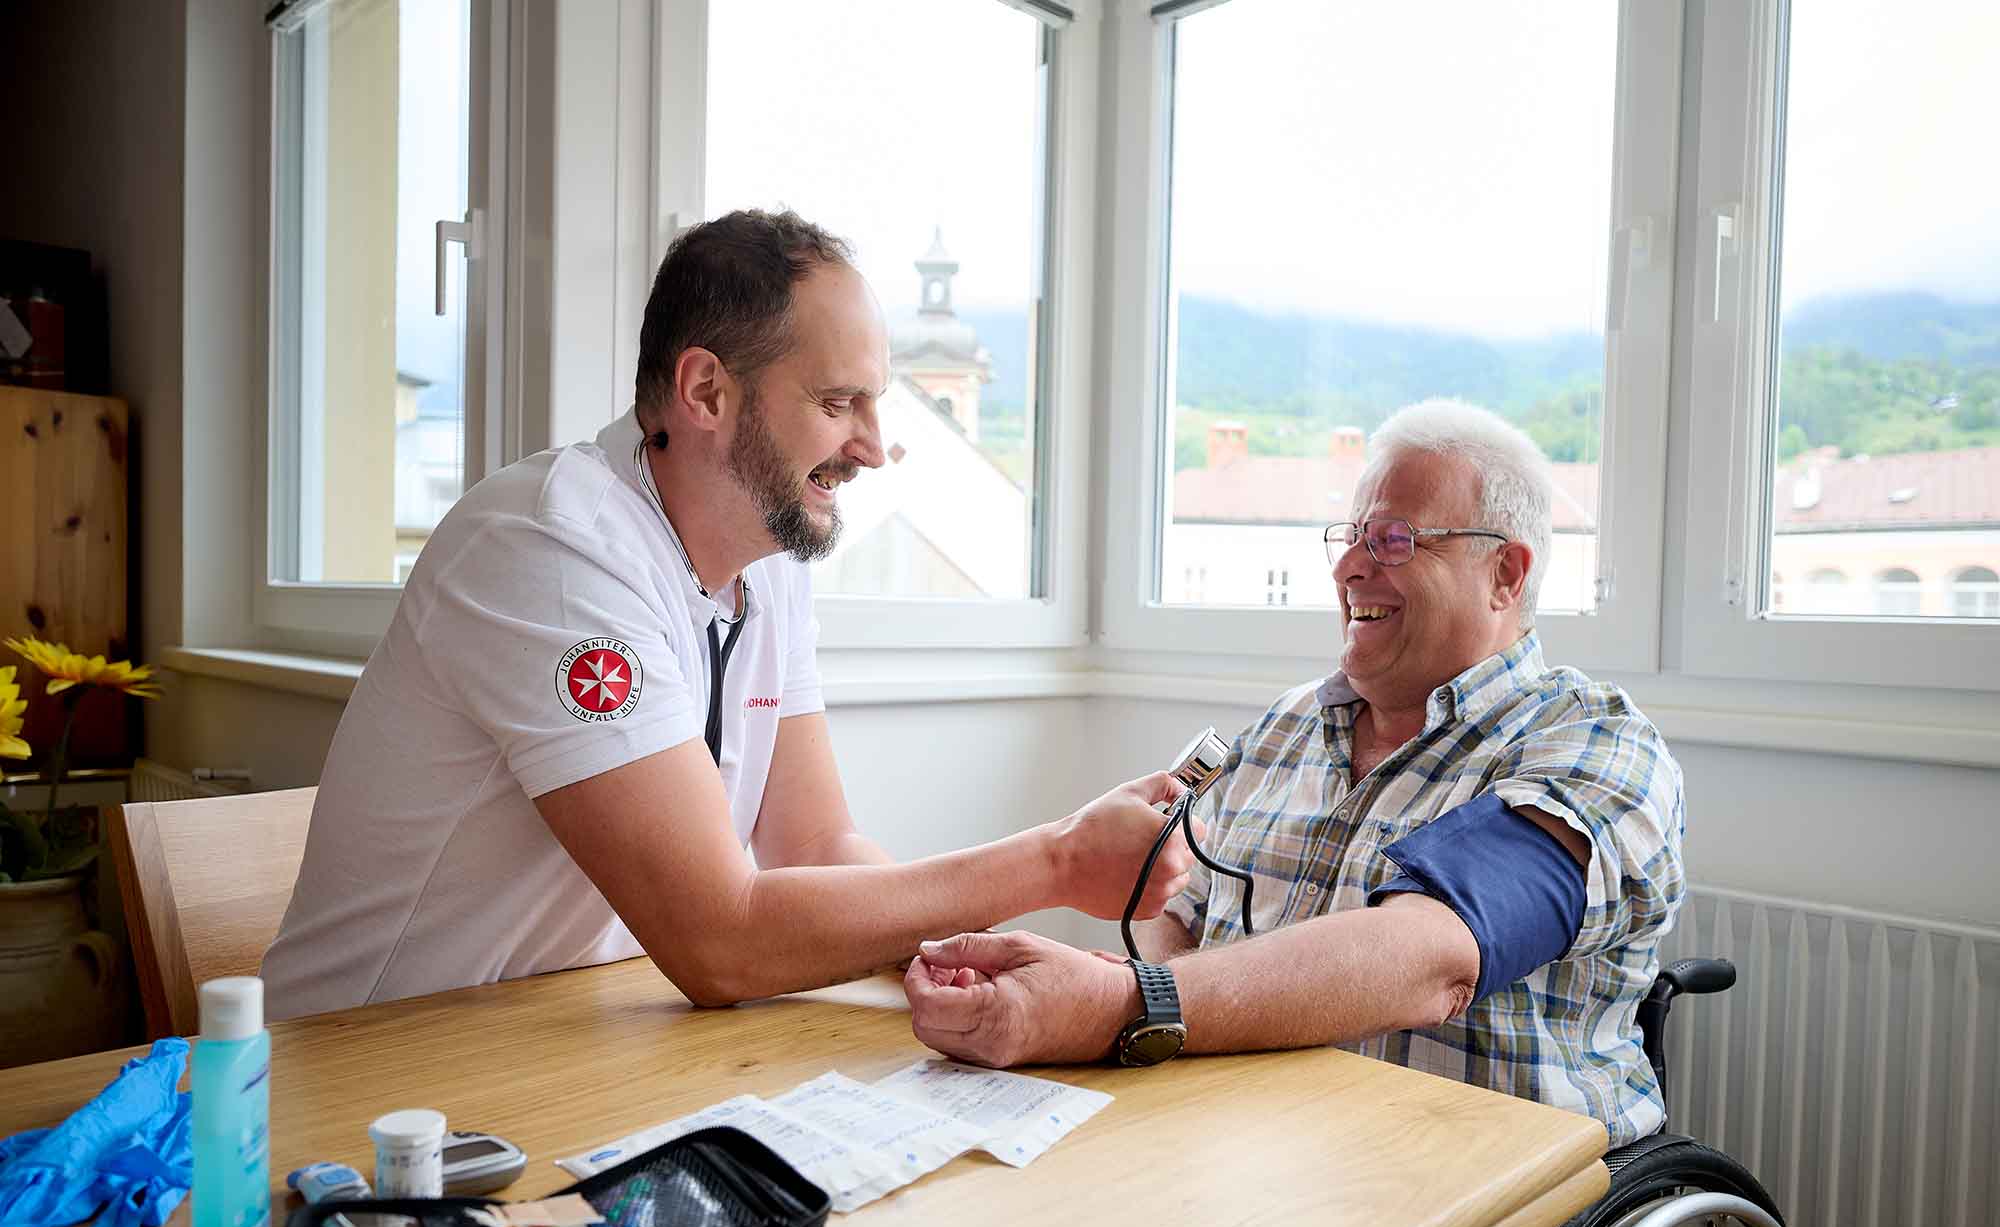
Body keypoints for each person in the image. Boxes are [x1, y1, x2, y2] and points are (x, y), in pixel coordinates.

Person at [262, 209, 1193, 1020]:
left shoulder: (771, 559)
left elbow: (815, 845)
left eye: (876, 404)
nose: (873, 447)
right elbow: (721, 941)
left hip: (573, 1030)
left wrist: (963, 956)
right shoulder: (548, 550)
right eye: (838, 403)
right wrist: (1055, 862)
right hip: (370, 1072)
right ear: (706, 390)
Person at [906, 399, 1686, 1148]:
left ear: (1505, 575)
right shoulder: (1283, 729)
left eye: (1392, 541)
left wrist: (1124, 1006)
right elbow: (1171, 912)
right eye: (1350, 537)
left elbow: (1433, 956)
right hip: (1252, 1161)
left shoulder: (1594, 746)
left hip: (1482, 1219)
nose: (1349, 567)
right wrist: (1159, 1007)